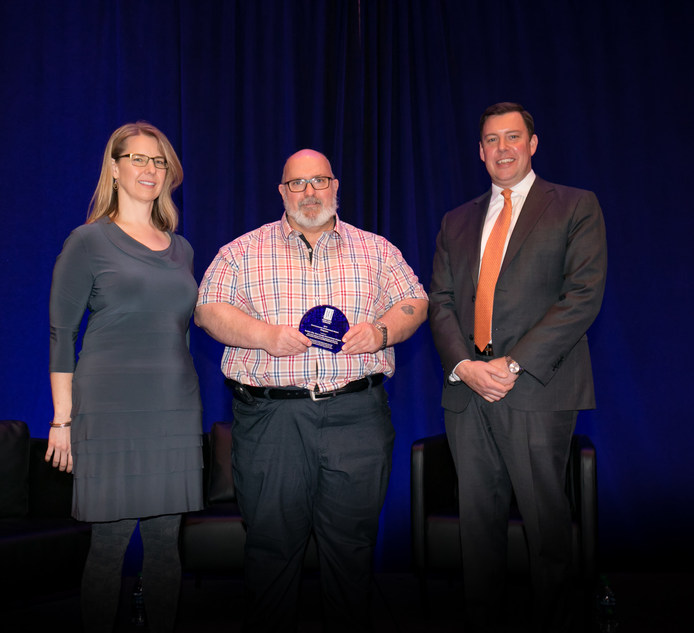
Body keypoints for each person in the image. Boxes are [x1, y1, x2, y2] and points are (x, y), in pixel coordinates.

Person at [194, 149, 427, 632]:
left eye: (319, 181)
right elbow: (207, 309)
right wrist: (266, 336)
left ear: (335, 186)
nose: (309, 192)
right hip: (272, 422)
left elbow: (416, 301)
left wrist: (381, 331)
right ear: (282, 192)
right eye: (297, 184)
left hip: (357, 418)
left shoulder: (377, 250)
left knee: (352, 550)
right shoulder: (240, 251)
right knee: (270, 549)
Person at [428, 102, 607, 632]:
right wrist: (464, 365)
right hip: (468, 394)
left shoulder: (574, 205)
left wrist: (513, 363)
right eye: (491, 139)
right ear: (480, 151)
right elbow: (440, 301)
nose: (502, 148)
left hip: (535, 389)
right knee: (477, 533)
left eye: (512, 137)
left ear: (532, 144)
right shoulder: (456, 220)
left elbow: (582, 296)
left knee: (546, 531)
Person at [45, 122, 202, 633]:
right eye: (137, 158)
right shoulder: (87, 241)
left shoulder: (182, 249)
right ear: (114, 168)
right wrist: (62, 420)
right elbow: (61, 334)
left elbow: (180, 330)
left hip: (173, 409)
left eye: (158, 161)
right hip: (109, 410)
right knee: (109, 546)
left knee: (166, 547)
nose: (149, 169)